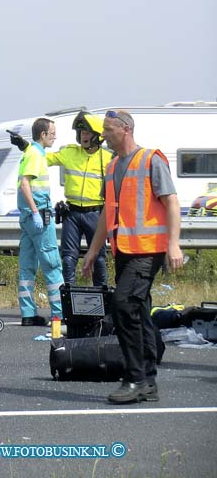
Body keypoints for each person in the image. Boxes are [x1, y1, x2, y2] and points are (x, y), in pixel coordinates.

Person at [83, 109, 183, 404]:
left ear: (125, 129)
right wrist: (92, 251)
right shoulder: (113, 166)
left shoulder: (151, 159)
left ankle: (135, 379)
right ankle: (148, 381)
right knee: (138, 312)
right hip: (124, 250)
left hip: (149, 250)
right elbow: (106, 215)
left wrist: (174, 245)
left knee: (123, 306)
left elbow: (173, 203)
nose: (103, 135)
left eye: (108, 129)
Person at [12, 112, 113, 286]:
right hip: (72, 213)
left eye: (87, 133)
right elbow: (41, 157)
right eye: (81, 133)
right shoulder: (69, 152)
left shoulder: (108, 158)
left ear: (97, 136)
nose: (83, 137)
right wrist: (26, 146)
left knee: (98, 259)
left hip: (95, 213)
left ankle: (102, 299)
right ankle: (69, 299)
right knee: (68, 259)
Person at [16, 117, 64, 326]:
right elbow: (25, 184)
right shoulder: (35, 154)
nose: (55, 137)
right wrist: (37, 212)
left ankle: (28, 313)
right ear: (42, 135)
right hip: (39, 216)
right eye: (52, 133)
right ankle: (60, 314)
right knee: (52, 264)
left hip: (27, 218)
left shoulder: (31, 152)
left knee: (27, 266)